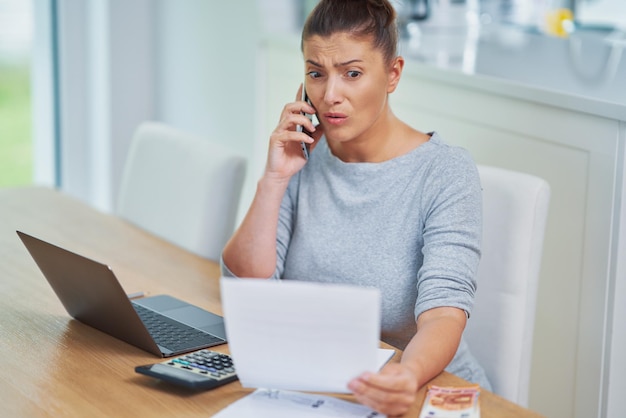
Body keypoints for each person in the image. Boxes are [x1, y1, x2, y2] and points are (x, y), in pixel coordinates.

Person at [221, 0, 490, 415]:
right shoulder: (304, 155)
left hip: (420, 387)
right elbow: (247, 285)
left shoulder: (445, 171)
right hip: (323, 385)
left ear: (393, 74)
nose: (330, 95)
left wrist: (408, 374)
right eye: (316, 73)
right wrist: (275, 179)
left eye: (352, 73)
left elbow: (443, 315)